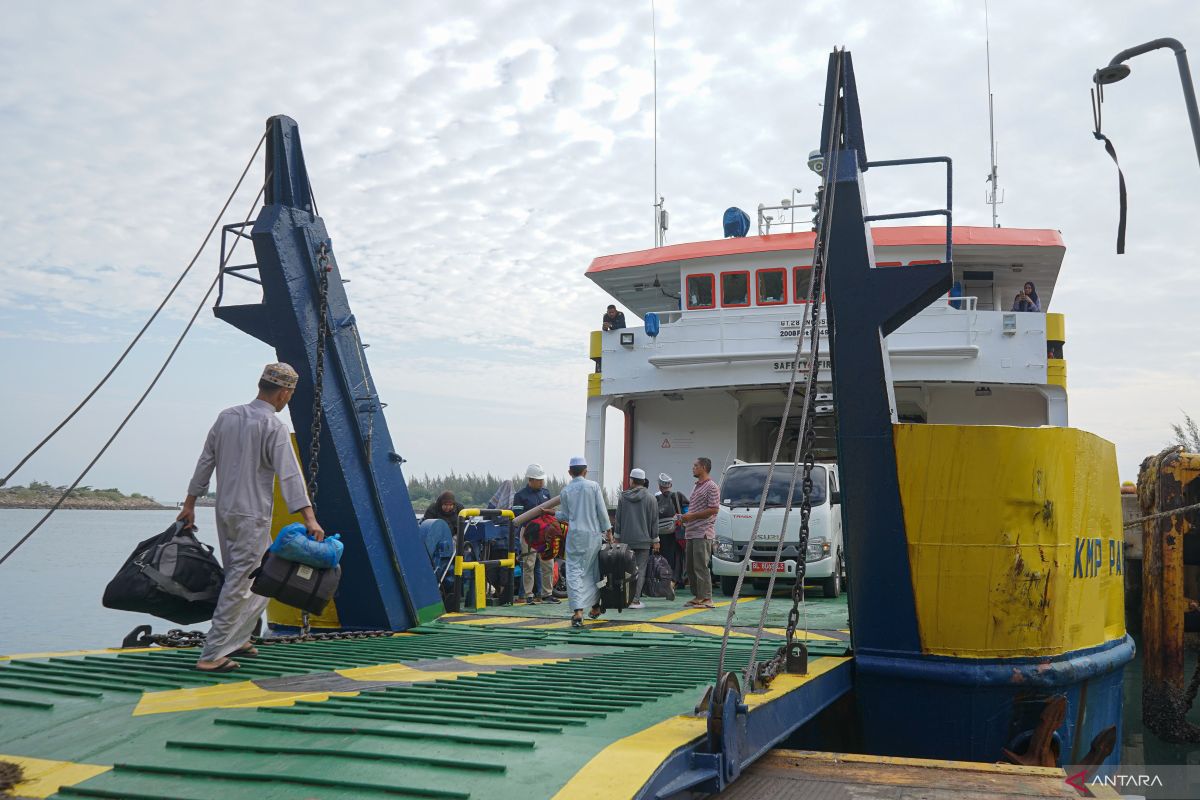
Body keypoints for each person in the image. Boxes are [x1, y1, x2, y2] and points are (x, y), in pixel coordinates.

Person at [179, 363, 324, 673]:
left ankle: (239, 638)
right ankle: (212, 654)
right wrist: (309, 518)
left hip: (225, 510)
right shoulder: (273, 426)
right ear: (284, 392)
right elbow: (290, 476)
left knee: (262, 577)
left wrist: (190, 503)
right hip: (253, 513)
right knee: (241, 583)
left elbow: (206, 461)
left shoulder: (227, 417)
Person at [557, 456, 612, 628]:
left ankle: (578, 612)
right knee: (593, 571)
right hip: (593, 536)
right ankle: (595, 607)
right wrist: (608, 531)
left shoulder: (565, 491)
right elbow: (602, 512)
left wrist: (553, 513)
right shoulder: (593, 487)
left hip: (575, 537)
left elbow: (564, 516)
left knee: (574, 572)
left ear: (569, 472)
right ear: (585, 471)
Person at [675, 457, 720, 608]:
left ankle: (707, 598)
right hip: (692, 532)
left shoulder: (711, 486)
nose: (693, 468)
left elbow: (714, 509)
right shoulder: (696, 486)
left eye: (695, 466)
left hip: (703, 533)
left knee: (701, 566)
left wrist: (691, 516)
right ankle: (698, 596)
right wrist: (685, 519)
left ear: (703, 467)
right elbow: (695, 509)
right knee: (691, 567)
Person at [512, 464, 559, 604]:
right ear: (530, 480)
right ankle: (528, 594)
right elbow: (517, 515)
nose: (541, 482)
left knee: (548, 564)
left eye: (542, 480)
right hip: (529, 534)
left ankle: (547, 594)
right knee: (529, 564)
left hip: (545, 534)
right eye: (538, 480)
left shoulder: (546, 493)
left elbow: (552, 511)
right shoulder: (520, 496)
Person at [615, 468, 658, 609]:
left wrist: (617, 537)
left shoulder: (623, 498)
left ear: (632, 480)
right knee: (640, 570)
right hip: (644, 542)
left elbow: (618, 520)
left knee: (626, 569)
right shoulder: (651, 498)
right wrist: (655, 540)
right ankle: (635, 600)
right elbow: (654, 522)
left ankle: (624, 598)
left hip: (626, 541)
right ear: (644, 481)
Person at [655, 473, 689, 586]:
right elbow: (687, 513)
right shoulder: (678, 496)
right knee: (677, 557)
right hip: (676, 534)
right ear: (671, 485)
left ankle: (664, 581)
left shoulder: (655, 499)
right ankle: (674, 581)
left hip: (660, 537)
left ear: (659, 486)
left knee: (662, 558)